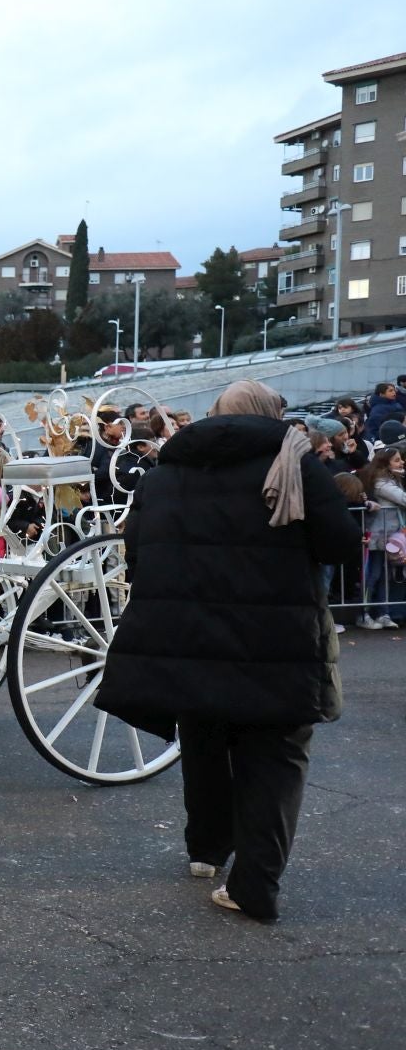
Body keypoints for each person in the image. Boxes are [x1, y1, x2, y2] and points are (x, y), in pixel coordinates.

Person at [96, 380, 361, 923]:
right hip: (276, 636)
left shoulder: (167, 470)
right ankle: (255, 884)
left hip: (188, 633)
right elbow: (339, 544)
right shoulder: (293, 461)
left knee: (203, 737)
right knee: (275, 754)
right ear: (269, 413)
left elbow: (138, 551)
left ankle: (206, 849)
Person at [355, 446, 406, 628]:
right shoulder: (381, 482)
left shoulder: (395, 479)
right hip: (377, 534)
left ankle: (383, 612)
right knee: (373, 574)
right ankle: (364, 613)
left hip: (391, 534)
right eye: (397, 460)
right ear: (386, 463)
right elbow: (403, 499)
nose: (401, 463)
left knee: (387, 575)